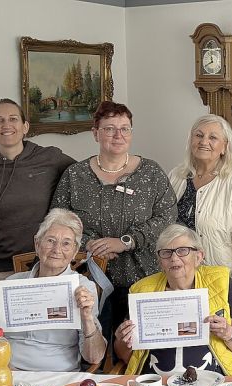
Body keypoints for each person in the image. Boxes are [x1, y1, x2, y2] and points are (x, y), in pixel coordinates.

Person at [50, 101, 177, 340]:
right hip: (88, 282)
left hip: (144, 280)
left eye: (125, 128)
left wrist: (126, 241)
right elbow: (58, 221)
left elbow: (168, 218)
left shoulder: (151, 173)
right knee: (93, 350)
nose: (118, 135)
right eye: (109, 129)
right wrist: (90, 244)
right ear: (95, 133)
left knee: (137, 351)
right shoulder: (75, 175)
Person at [0, 98, 75, 315]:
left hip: (49, 264)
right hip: (3, 268)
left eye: (13, 119)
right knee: (4, 338)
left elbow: (83, 177)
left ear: (25, 127)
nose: (6, 125)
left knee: (50, 337)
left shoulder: (50, 158)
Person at [113, 225, 232, 376]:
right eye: (166, 253)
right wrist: (124, 341)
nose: (174, 258)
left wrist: (228, 332)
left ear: (199, 257)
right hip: (156, 384)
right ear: (160, 262)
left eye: (182, 251)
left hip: (213, 381)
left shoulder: (220, 282)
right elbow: (124, 355)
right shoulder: (142, 290)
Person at [0, 209, 106, 371]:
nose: (57, 250)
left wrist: (87, 317)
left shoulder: (83, 287)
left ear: (74, 252)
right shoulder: (12, 283)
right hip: (8, 374)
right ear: (37, 244)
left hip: (59, 377)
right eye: (50, 241)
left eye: (66, 243)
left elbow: (94, 357)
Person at [168, 114, 232, 302]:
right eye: (199, 135)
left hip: (221, 282)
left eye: (213, 137)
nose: (204, 142)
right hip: (176, 281)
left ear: (225, 146)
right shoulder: (176, 176)